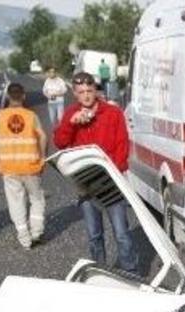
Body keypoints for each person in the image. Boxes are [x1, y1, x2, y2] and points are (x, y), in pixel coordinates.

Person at [54, 72, 138, 274]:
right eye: (81, 92)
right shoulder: (70, 114)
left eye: (89, 91)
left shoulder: (112, 113)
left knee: (121, 233)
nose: (86, 96)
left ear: (95, 90)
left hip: (111, 181)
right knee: (94, 234)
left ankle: (131, 271)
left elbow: (122, 145)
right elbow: (60, 143)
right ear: (74, 93)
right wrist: (71, 124)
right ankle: (101, 272)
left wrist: (113, 172)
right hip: (86, 184)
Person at [0, 82, 47, 249]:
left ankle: (24, 237)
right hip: (31, 166)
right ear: (23, 96)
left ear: (9, 97)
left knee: (16, 202)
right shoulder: (31, 116)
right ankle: (37, 232)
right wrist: (43, 158)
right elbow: (43, 136)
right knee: (37, 199)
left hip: (9, 167)